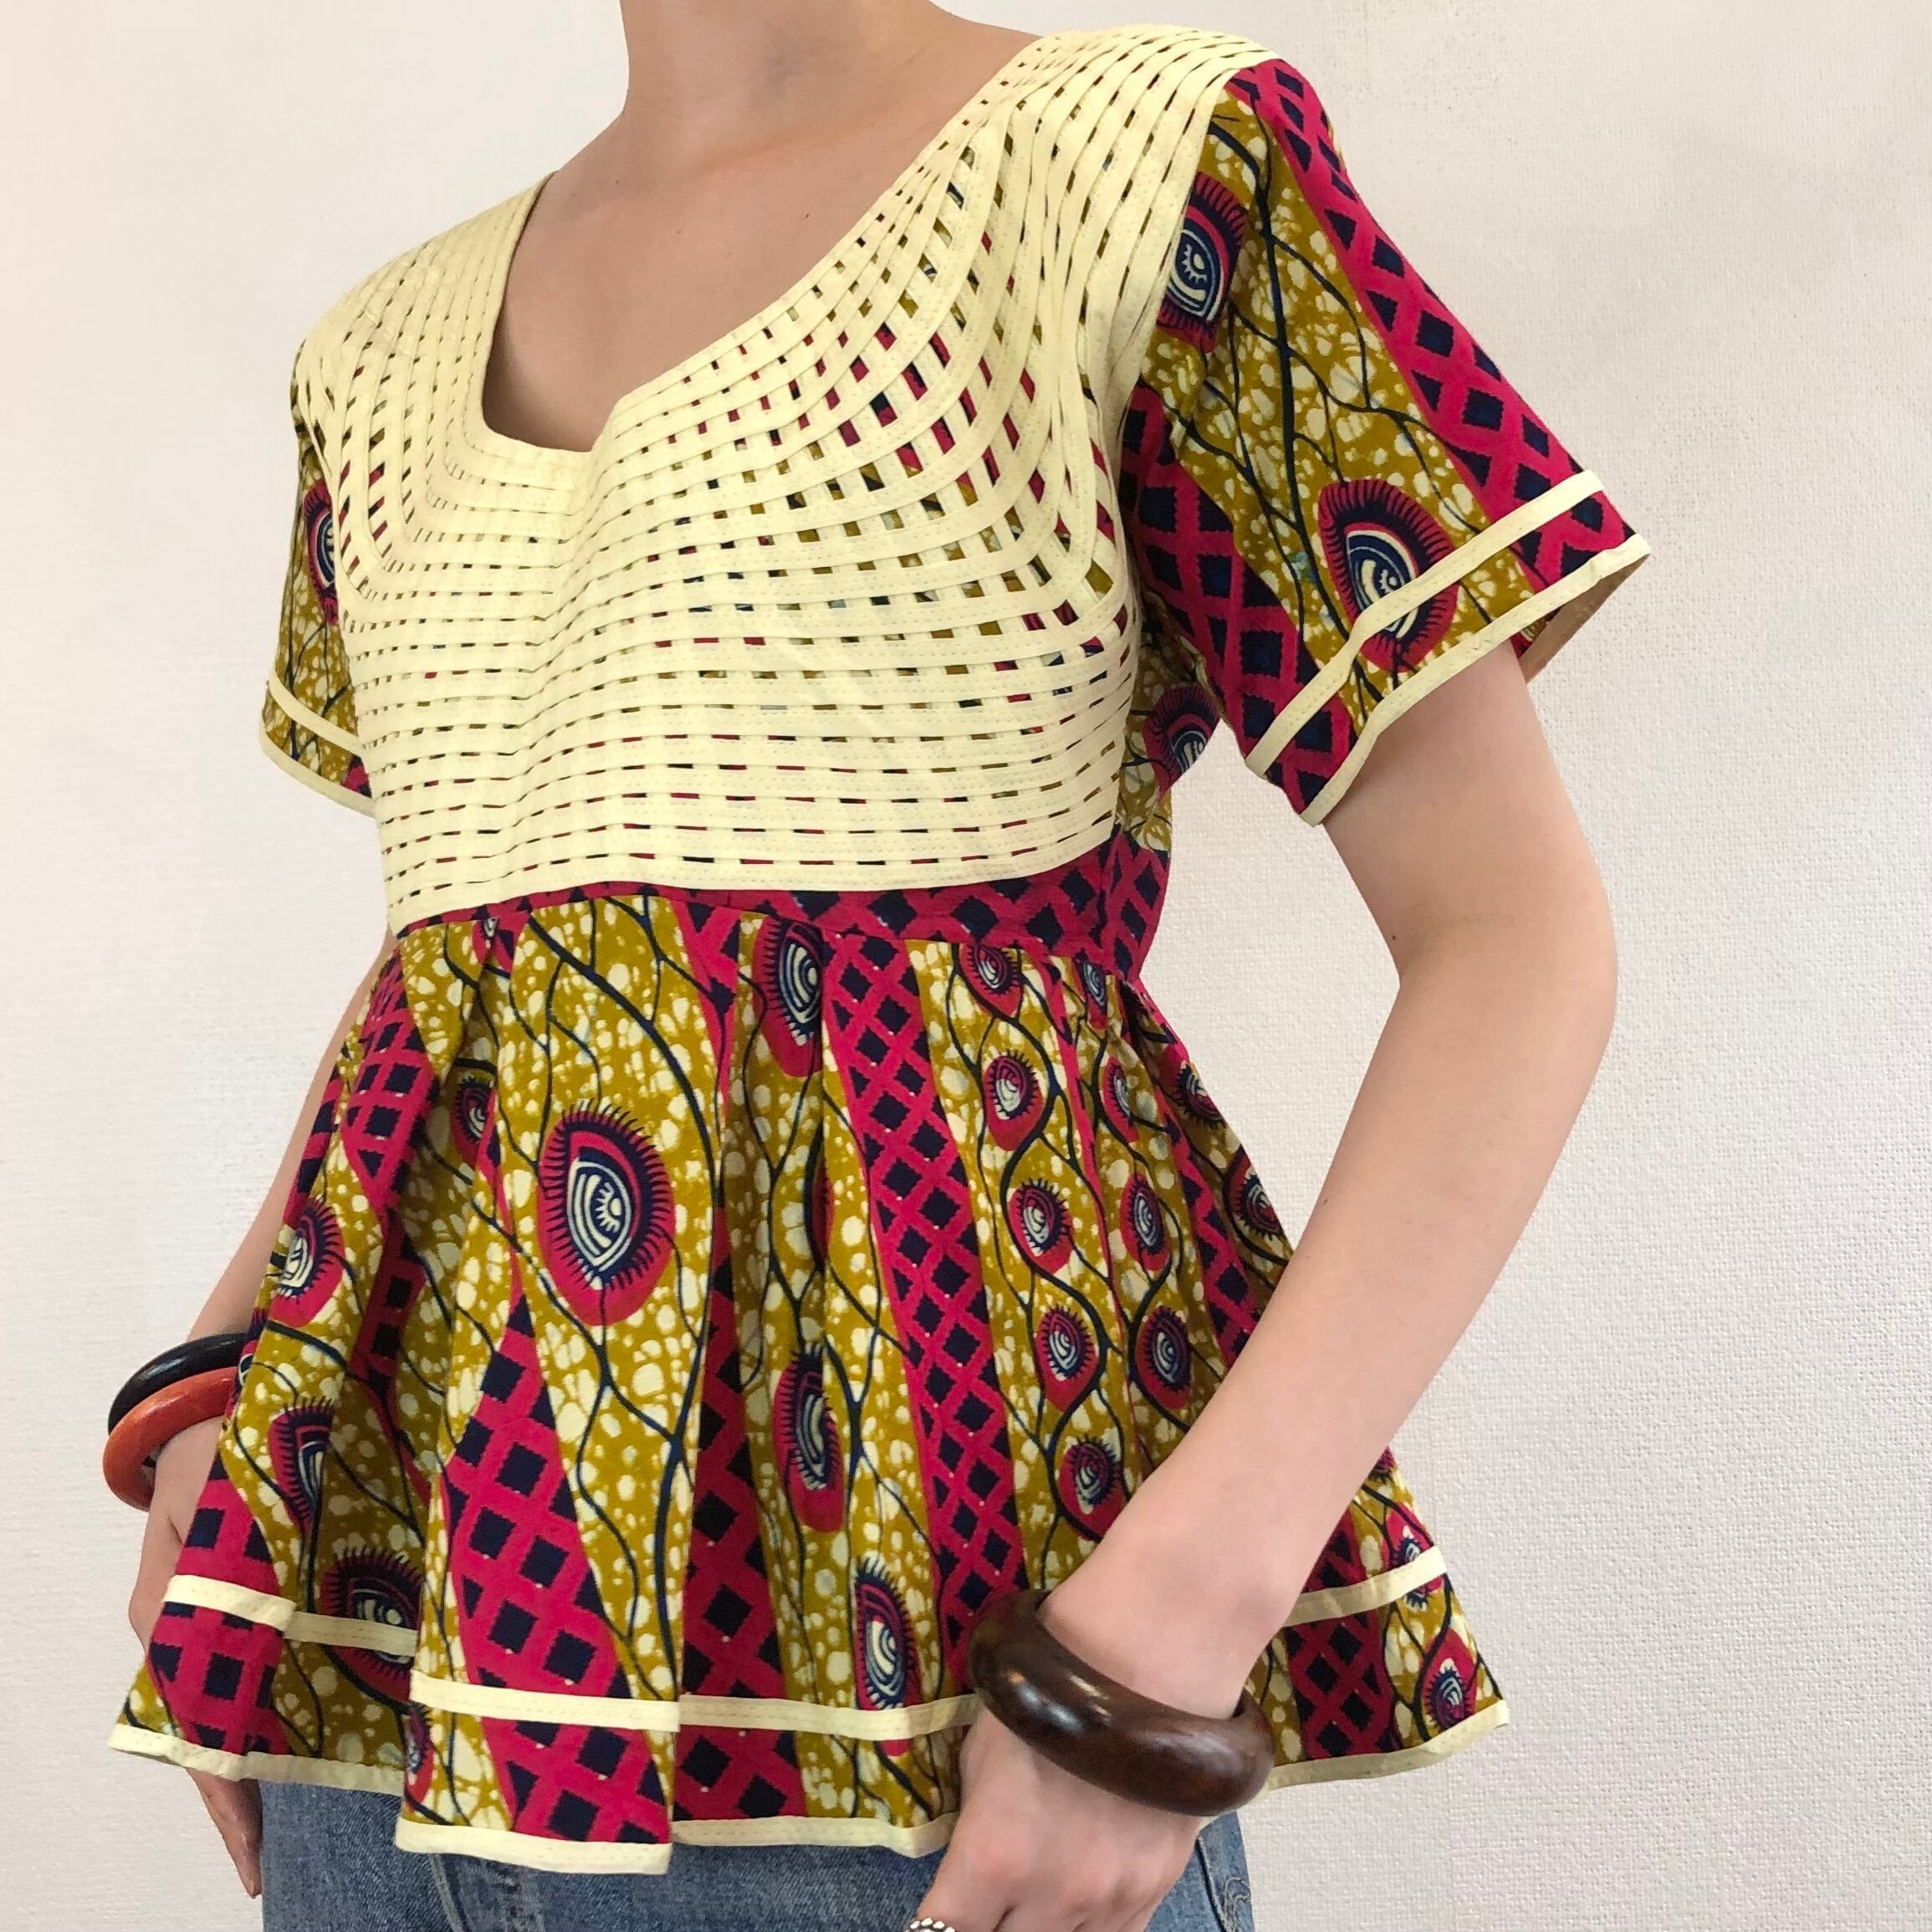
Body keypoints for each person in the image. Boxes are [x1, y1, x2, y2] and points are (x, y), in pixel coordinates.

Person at [108, 4, 1650, 1929]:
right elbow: (475, 962)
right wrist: (212, 1388)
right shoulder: (371, 352)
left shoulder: (1146, 166)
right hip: (384, 1685)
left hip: (933, 1692)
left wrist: (1152, 1657)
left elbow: (1512, 934)